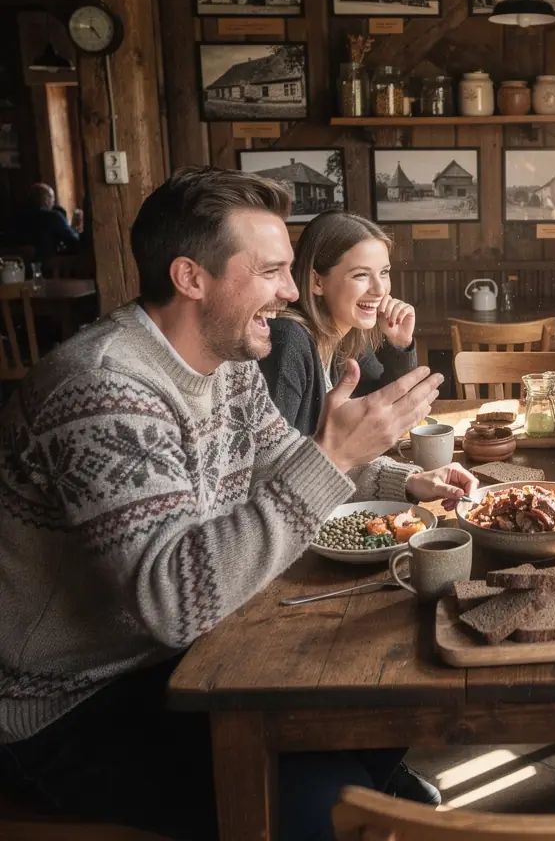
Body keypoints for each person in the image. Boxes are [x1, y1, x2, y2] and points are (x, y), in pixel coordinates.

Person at [0, 167, 477, 841]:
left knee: (393, 688)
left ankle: (359, 782)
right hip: (71, 701)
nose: (290, 291)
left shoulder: (227, 364)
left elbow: (284, 458)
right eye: (273, 271)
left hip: (184, 655)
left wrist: (403, 483)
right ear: (192, 277)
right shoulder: (104, 390)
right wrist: (336, 456)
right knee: (331, 800)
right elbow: (174, 603)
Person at [260, 210, 418, 435]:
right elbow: (275, 460)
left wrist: (400, 343)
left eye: (384, 272)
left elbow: (388, 413)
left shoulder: (349, 337)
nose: (380, 290)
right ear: (317, 281)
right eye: (361, 275)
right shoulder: (288, 341)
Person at [9, 182, 82, 261]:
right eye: (52, 199)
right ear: (47, 200)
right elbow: (74, 241)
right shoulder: (53, 216)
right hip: (49, 267)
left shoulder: (16, 217)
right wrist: (75, 231)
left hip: (18, 268)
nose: (53, 202)